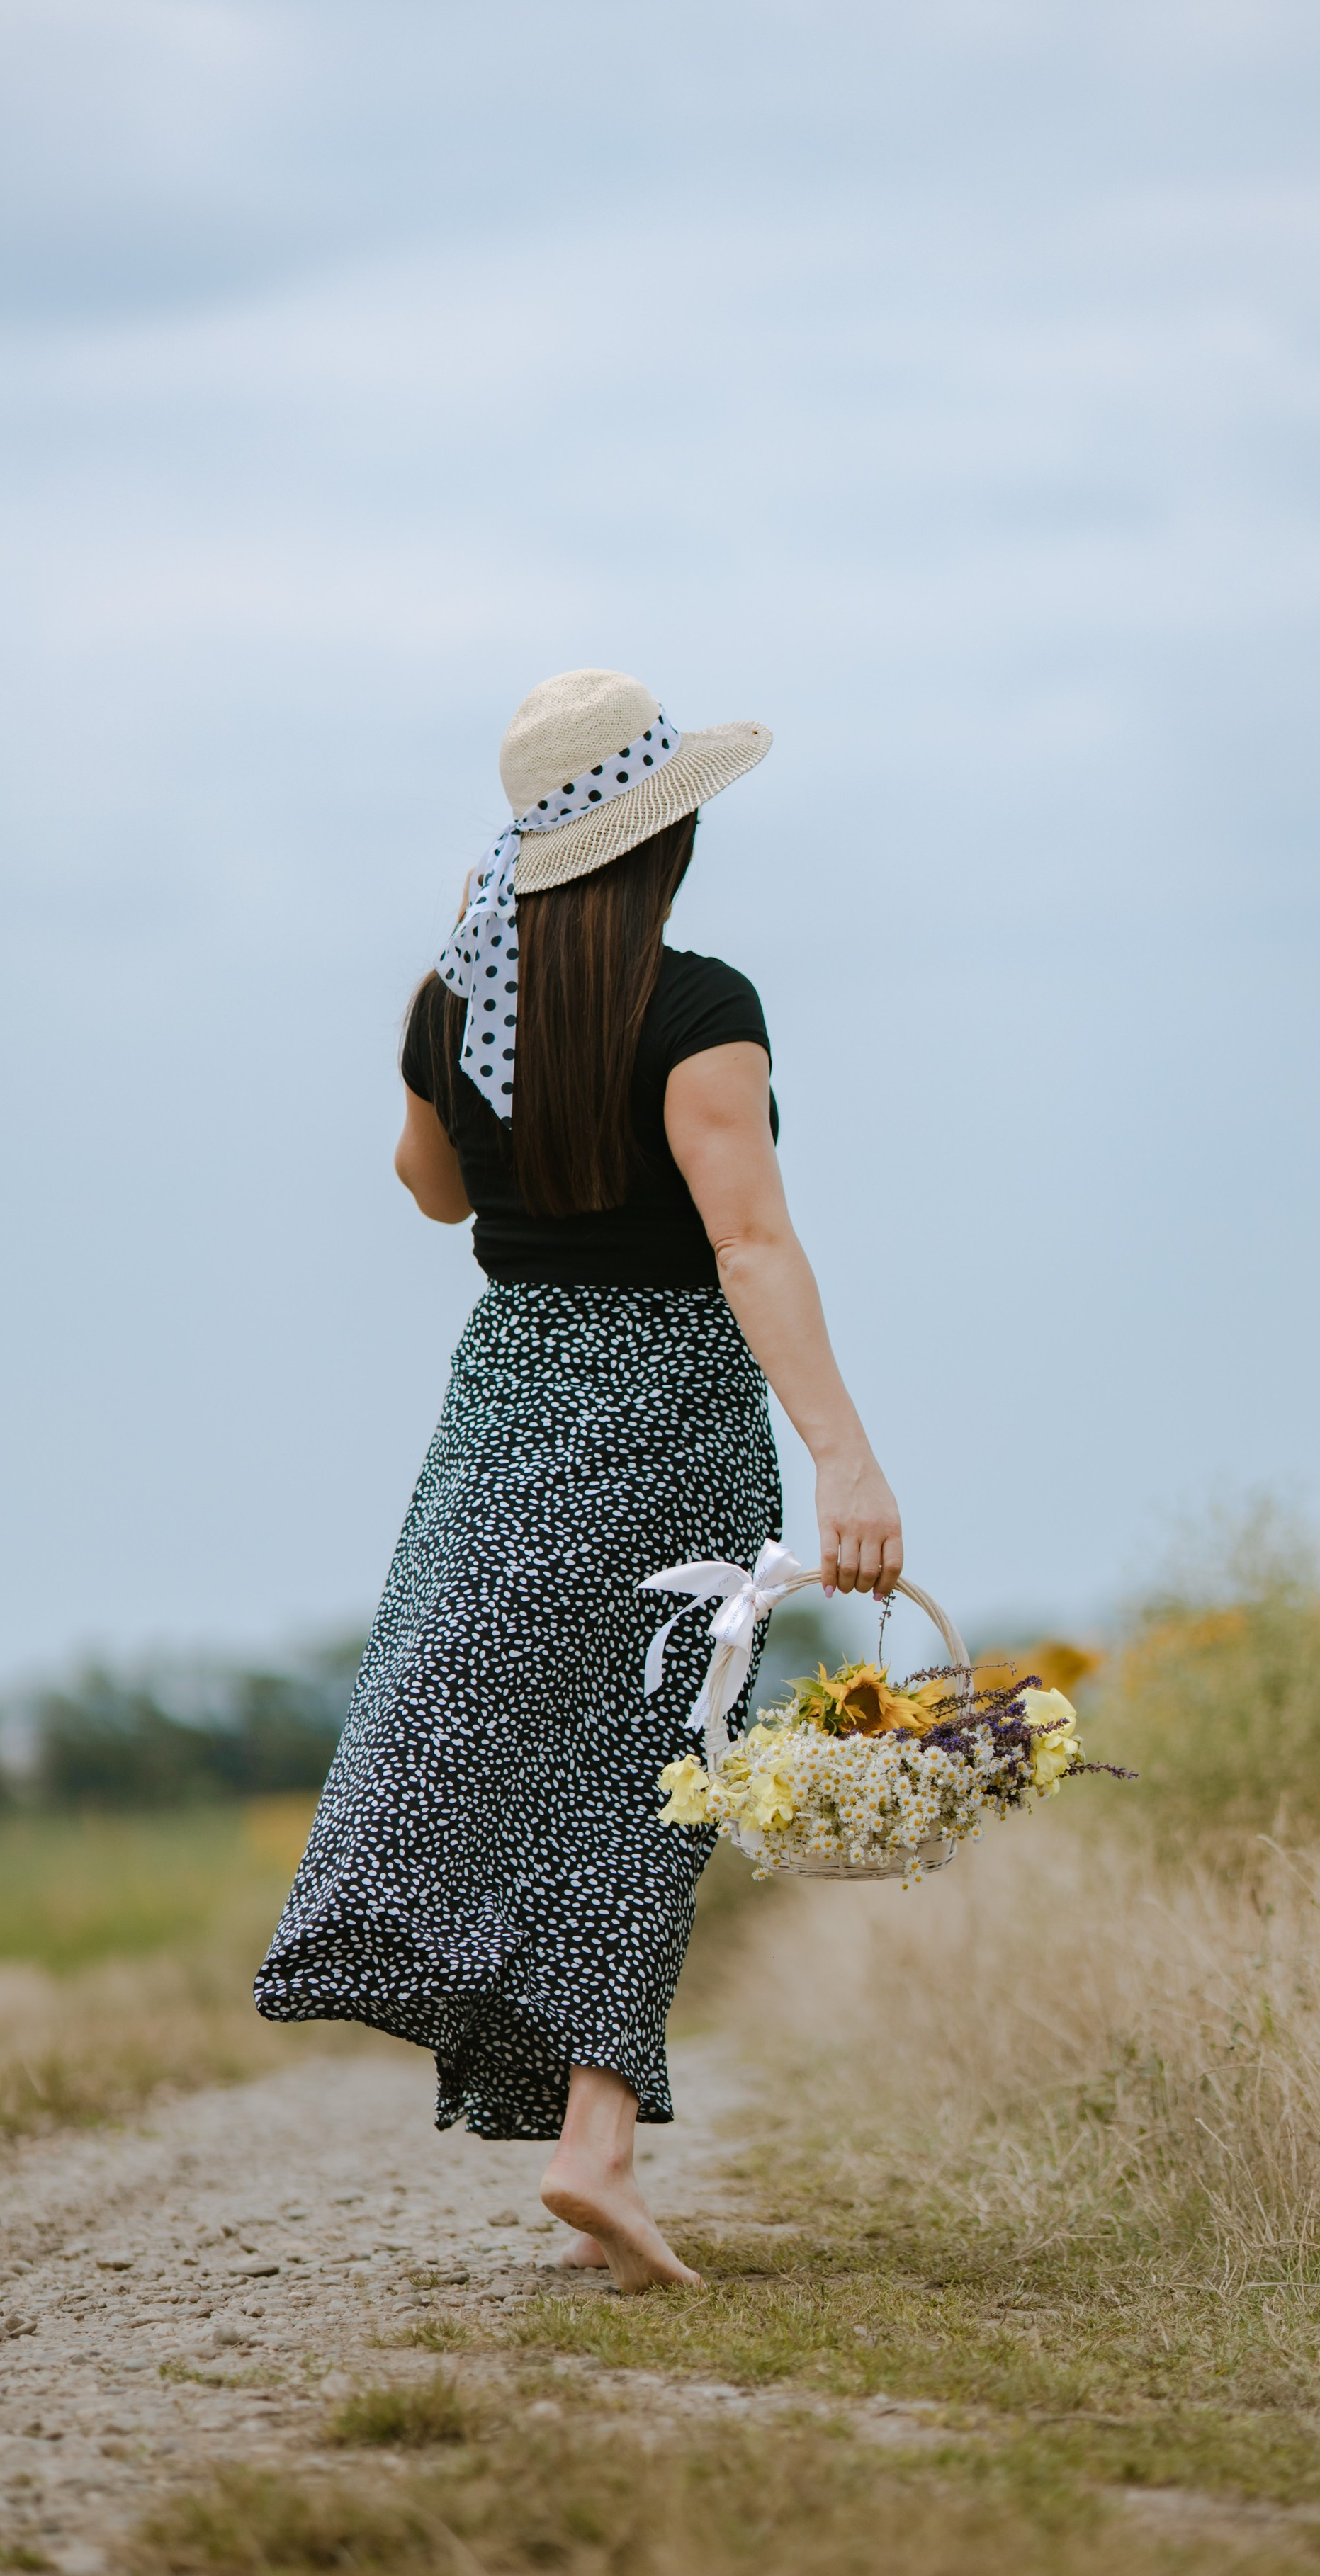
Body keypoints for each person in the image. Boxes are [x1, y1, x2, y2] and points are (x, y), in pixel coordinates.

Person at [255, 667, 901, 2291]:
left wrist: (459, 990)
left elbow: (426, 1192)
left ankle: (527, 2070)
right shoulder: (700, 1009)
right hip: (672, 1407)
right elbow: (745, 1237)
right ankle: (594, 2140)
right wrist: (844, 1456)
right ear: (657, 841)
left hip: (507, 1401)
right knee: (656, 1768)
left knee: (465, 1722)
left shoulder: (447, 1002)